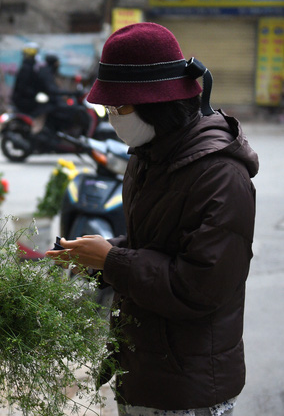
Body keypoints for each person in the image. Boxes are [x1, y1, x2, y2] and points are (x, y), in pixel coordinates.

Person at [46, 22, 258, 416]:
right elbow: (156, 247)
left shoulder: (220, 175)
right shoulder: (149, 155)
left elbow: (200, 285)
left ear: (157, 103)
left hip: (187, 386)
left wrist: (112, 260)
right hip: (145, 369)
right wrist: (100, 256)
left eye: (119, 108)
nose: (112, 118)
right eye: (107, 109)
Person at [10, 42, 42, 115]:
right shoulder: (27, 68)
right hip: (24, 101)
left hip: (23, 99)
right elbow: (23, 86)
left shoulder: (30, 66)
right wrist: (34, 94)